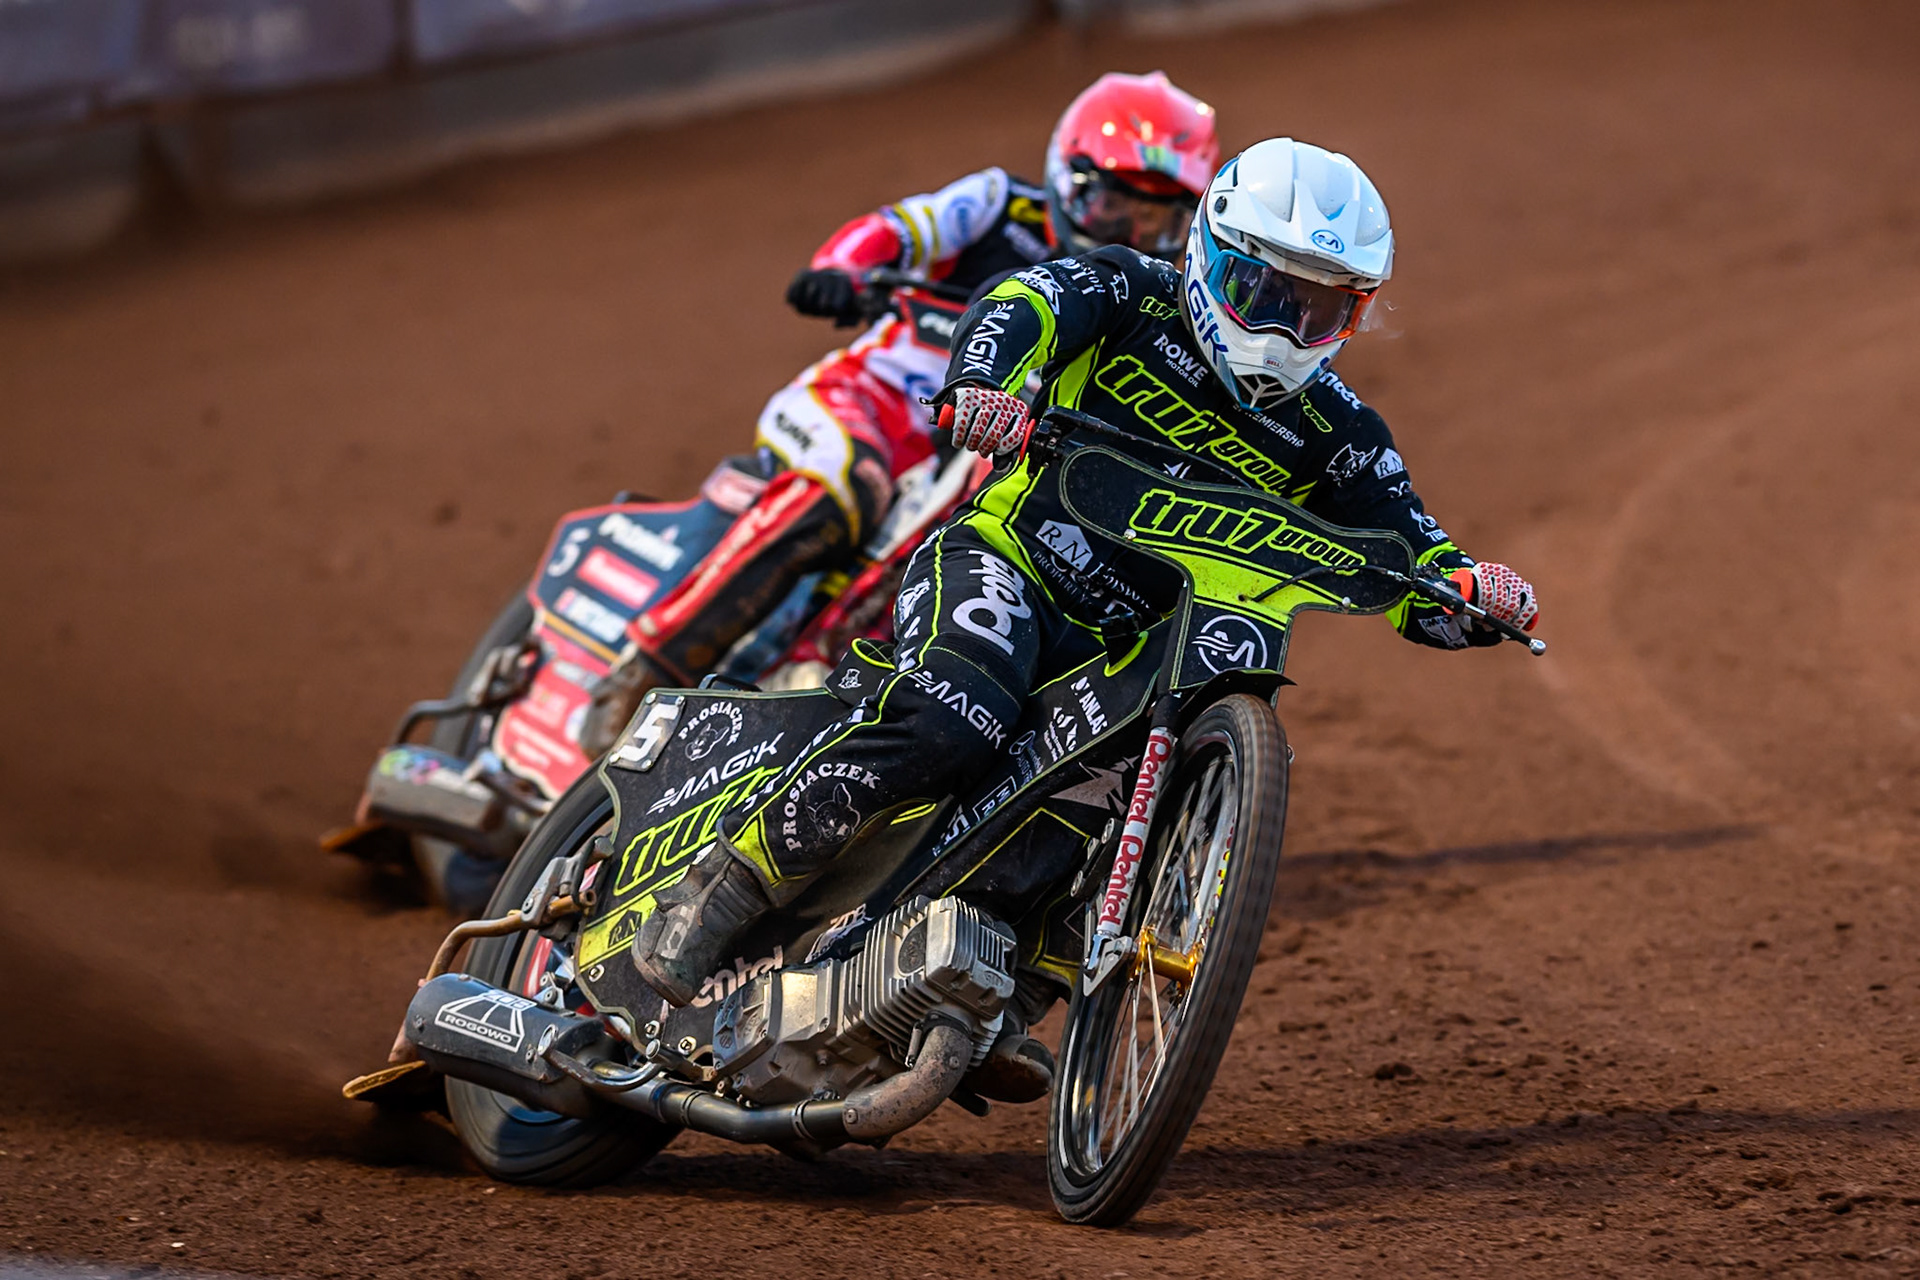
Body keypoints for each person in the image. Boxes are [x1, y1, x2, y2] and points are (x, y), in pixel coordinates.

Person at [629, 138, 1540, 1078]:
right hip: (1011, 563)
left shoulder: (1340, 432)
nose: (1285, 330)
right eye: (1267, 292)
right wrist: (983, 385)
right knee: (954, 713)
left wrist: (1476, 593)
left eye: (1320, 309)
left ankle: (996, 994)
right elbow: (1019, 304)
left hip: (1132, 652)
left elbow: (1413, 557)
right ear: (1211, 254)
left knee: (1136, 800)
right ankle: (721, 892)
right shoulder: (1129, 290)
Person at [580, 71, 1220, 752]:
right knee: (845, 487)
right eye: (1114, 205)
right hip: (865, 401)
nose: (1131, 231)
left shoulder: (1145, 302)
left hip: (980, 448)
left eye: (1158, 220)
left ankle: (837, 673)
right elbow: (894, 230)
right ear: (1069, 179)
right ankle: (642, 672)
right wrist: (841, 269)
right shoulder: (1000, 205)